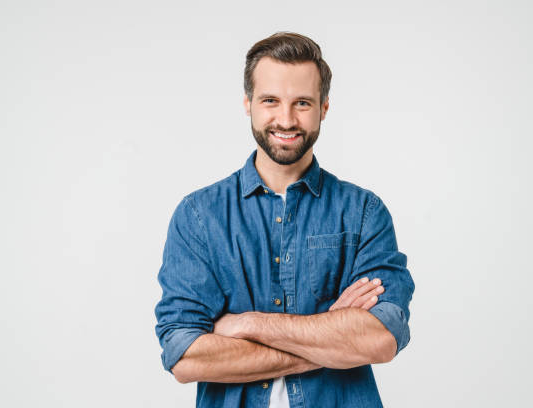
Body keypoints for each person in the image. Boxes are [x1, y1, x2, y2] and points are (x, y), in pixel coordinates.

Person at [154, 32, 415, 408]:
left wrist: (248, 324)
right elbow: (184, 355)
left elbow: (381, 339)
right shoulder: (199, 216)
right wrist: (329, 334)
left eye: (303, 103)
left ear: (324, 107)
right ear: (248, 103)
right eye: (270, 101)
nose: (286, 119)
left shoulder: (363, 212)